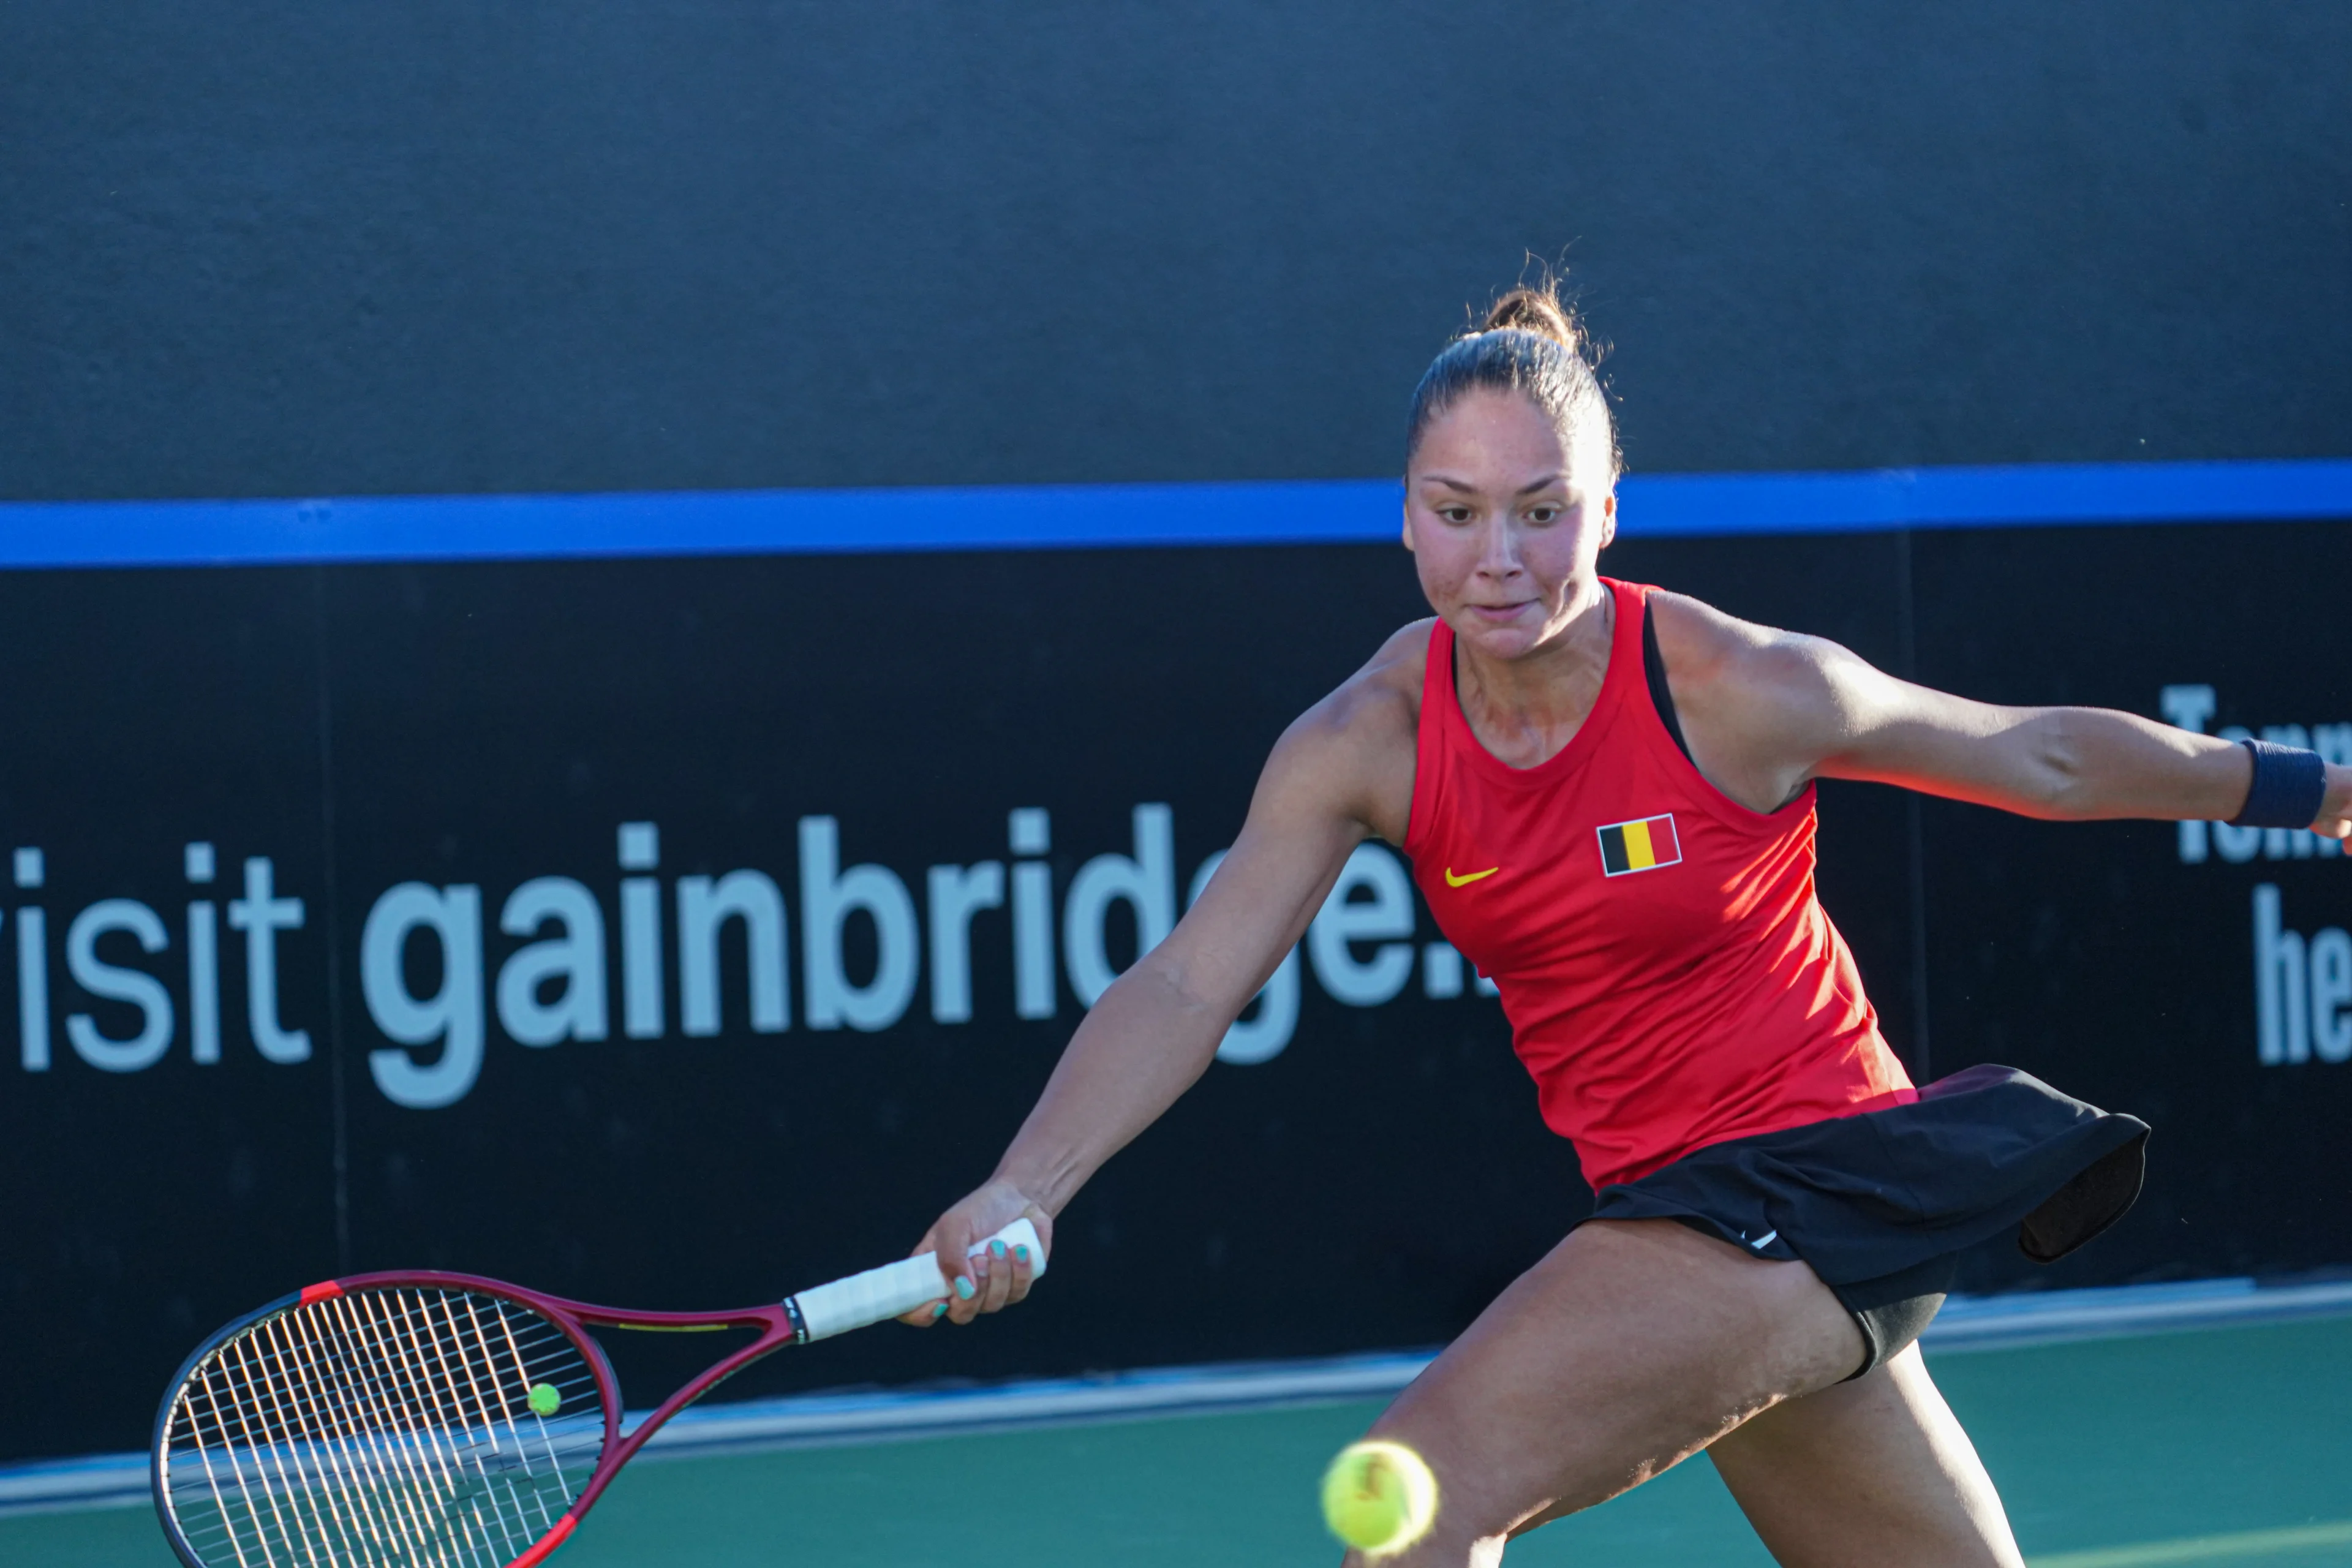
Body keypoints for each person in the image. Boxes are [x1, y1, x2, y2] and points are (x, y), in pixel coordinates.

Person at [899, 283, 2352, 1566]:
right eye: (1455, 510)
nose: (1499, 557)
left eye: (1542, 508)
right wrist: (1029, 1184)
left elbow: (2037, 754)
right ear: (1405, 512)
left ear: (1608, 506)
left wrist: (2325, 791)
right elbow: (1188, 979)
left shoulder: (1736, 683)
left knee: (1413, 1500)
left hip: (1821, 1183)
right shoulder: (1366, 738)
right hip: (1689, 1236)